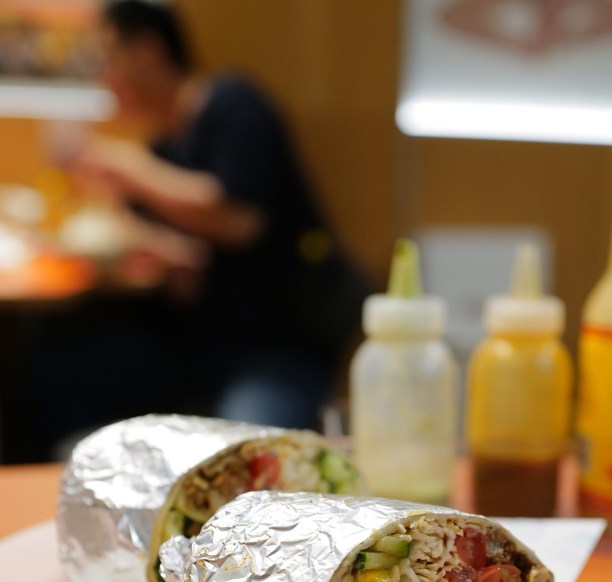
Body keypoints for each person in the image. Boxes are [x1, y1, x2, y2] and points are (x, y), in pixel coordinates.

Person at [9, 0, 370, 461]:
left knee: (247, 458)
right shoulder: (163, 145)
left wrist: (124, 164)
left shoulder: (233, 103)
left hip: (278, 345)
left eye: (106, 58)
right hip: (197, 344)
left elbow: (237, 219)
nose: (103, 76)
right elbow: (172, 248)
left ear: (147, 52)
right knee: (51, 363)